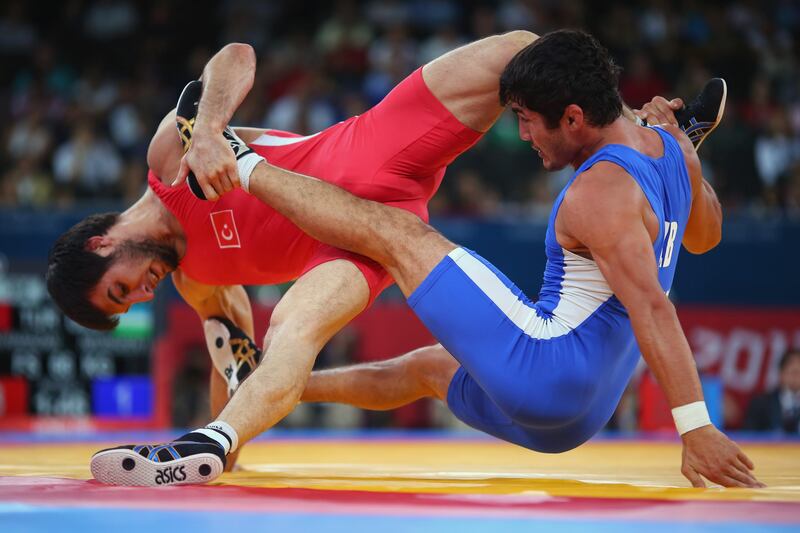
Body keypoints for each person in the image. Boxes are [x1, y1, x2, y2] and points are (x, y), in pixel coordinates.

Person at [90, 29, 762, 490]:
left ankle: (243, 164)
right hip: (573, 416)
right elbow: (702, 237)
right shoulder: (670, 156)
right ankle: (234, 421)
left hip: (541, 365)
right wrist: (688, 156)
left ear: (577, 116)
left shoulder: (600, 191)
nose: (521, 133)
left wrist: (694, 425)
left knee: (400, 237)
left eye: (528, 119)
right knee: (417, 367)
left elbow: (652, 303)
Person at [744, 349, 800, 433]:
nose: (796, 377)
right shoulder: (760, 403)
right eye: (794, 372)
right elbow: (748, 437)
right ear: (781, 373)